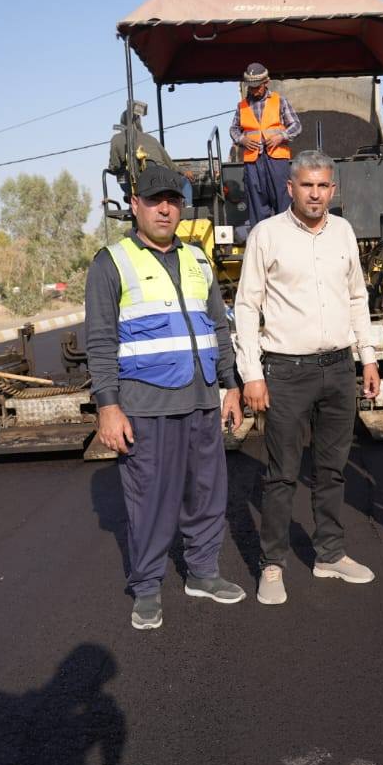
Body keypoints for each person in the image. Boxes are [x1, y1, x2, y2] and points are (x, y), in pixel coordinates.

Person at [86, 165, 247, 631]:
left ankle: (203, 573)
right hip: (146, 405)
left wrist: (230, 386)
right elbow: (100, 340)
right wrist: (108, 407)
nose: (164, 209)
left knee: (207, 493)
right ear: (135, 205)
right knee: (150, 501)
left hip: (202, 400)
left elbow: (218, 326)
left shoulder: (197, 259)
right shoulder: (111, 262)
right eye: (155, 200)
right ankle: (147, 587)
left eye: (173, 201)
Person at [235, 150, 380, 605]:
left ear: (332, 189)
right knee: (281, 474)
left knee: (332, 470)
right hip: (286, 371)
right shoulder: (266, 235)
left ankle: (330, 554)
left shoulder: (343, 232)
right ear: (290, 188)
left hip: (338, 367)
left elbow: (357, 298)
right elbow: (246, 306)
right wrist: (251, 374)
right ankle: (272, 564)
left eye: (322, 186)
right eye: (306, 185)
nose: (314, 194)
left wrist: (368, 357)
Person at [230, 63, 301, 231]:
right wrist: (242, 140)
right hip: (253, 163)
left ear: (266, 82)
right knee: (257, 205)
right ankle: (261, 242)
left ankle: (286, 239)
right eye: (251, 87)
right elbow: (233, 129)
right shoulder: (242, 106)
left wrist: (281, 137)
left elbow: (296, 125)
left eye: (257, 87)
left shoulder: (280, 101)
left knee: (283, 203)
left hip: (277, 161)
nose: (254, 91)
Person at [106, 103, 183, 197]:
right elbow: (170, 164)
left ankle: (131, 197)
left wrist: (113, 168)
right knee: (185, 182)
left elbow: (115, 166)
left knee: (123, 178)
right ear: (138, 122)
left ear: (122, 122)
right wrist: (184, 172)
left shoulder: (116, 139)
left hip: (134, 183)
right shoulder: (152, 139)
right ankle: (186, 203)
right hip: (160, 179)